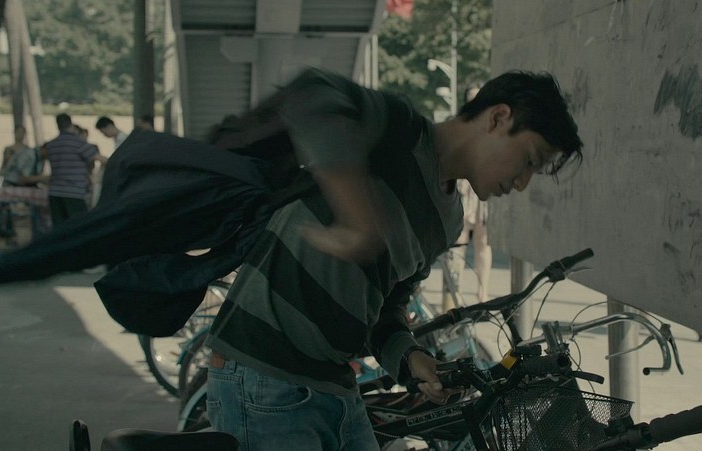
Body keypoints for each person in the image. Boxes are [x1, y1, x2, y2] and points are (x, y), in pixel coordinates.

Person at [203, 68, 583, 451]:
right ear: (498, 117)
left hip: (333, 384)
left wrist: (413, 359)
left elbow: (385, 309)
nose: (521, 183)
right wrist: (357, 216)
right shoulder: (397, 130)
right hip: (264, 378)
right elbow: (311, 94)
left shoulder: (449, 220)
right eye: (529, 160)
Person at [445, 83, 494, 307]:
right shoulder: (461, 123)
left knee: (483, 243)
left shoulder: (493, 124)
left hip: (483, 190)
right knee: (459, 242)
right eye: (472, 97)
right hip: (464, 189)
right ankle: (456, 294)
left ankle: (482, 294)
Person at [45, 113, 107, 227]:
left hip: (54, 192)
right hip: (74, 192)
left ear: (58, 126)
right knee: (79, 227)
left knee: (59, 228)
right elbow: (100, 159)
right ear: (71, 125)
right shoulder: (79, 144)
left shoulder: (51, 145)